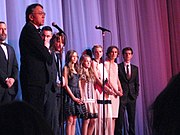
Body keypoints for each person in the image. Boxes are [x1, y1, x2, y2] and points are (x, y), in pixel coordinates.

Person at [19, 3, 52, 114]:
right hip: (32, 81)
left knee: (36, 114)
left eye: (44, 14)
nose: (43, 16)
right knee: (33, 114)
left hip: (36, 80)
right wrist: (47, 48)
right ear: (31, 17)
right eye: (40, 13)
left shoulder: (34, 31)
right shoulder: (30, 31)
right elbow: (46, 56)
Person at [115, 47, 139, 135]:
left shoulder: (135, 68)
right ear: (123, 55)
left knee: (131, 118)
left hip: (132, 96)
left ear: (131, 55)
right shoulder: (118, 67)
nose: (127, 55)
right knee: (120, 119)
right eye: (126, 54)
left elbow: (137, 83)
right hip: (122, 96)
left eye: (129, 54)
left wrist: (136, 94)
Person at [41, 26, 60, 135]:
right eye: (43, 35)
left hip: (52, 90)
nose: (45, 38)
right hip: (42, 89)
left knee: (53, 120)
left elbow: (54, 70)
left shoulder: (53, 53)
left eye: (48, 36)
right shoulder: (38, 51)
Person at [63, 50, 86, 135]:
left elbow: (79, 84)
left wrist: (81, 96)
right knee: (70, 120)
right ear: (69, 57)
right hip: (70, 95)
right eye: (73, 56)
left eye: (76, 56)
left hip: (77, 94)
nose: (75, 58)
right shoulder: (66, 68)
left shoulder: (77, 68)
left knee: (75, 120)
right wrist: (73, 97)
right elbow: (66, 85)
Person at [91, 45, 113, 135]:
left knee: (107, 114)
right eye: (96, 52)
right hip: (98, 89)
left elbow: (106, 77)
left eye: (100, 51)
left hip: (105, 90)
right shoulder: (93, 62)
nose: (98, 53)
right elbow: (96, 77)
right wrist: (105, 87)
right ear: (93, 53)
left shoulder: (101, 63)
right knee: (100, 114)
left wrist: (110, 88)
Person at [104, 46, 123, 134]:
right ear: (108, 53)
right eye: (112, 52)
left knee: (114, 116)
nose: (114, 54)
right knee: (109, 116)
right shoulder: (106, 64)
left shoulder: (115, 65)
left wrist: (120, 88)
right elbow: (107, 79)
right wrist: (115, 91)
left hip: (116, 92)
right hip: (110, 91)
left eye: (115, 52)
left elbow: (117, 78)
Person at [50, 32, 66, 135]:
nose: (60, 44)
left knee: (60, 117)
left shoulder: (59, 56)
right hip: (53, 89)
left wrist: (62, 78)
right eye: (58, 41)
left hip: (60, 89)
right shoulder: (50, 54)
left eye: (62, 42)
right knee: (53, 117)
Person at [79, 54, 98, 135]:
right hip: (85, 98)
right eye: (86, 61)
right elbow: (80, 85)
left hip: (92, 98)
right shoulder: (81, 72)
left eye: (89, 61)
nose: (88, 63)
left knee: (93, 120)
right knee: (86, 120)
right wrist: (81, 96)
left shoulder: (91, 72)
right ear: (82, 62)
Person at [0, 21, 18, 104]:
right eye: (0, 29)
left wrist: (13, 79)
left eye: (5, 29)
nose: (3, 32)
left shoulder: (10, 48)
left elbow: (15, 66)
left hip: (10, 90)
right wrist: (6, 79)